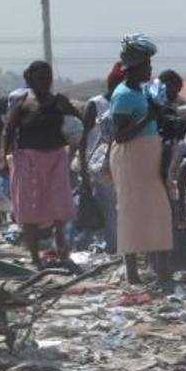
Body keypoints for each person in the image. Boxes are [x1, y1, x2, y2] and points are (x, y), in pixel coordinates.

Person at [1, 62, 80, 266]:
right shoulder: (22, 103)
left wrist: (75, 139)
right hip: (28, 160)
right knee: (29, 209)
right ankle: (35, 258)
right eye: (41, 77)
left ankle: (61, 244)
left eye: (48, 76)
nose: (45, 81)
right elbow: (8, 131)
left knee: (61, 204)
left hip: (56, 158)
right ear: (31, 79)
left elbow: (80, 120)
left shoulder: (60, 101)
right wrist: (3, 157)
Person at [109, 34, 174, 285]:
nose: (149, 70)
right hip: (131, 158)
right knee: (131, 213)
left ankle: (162, 273)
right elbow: (121, 134)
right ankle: (132, 274)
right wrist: (148, 117)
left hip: (149, 158)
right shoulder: (123, 95)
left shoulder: (147, 92)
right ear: (133, 69)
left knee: (158, 212)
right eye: (145, 66)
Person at [79, 63, 126, 253]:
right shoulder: (96, 104)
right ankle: (115, 248)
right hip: (101, 166)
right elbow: (82, 141)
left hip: (123, 163)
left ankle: (122, 247)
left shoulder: (126, 105)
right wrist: (83, 170)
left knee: (121, 208)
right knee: (109, 209)